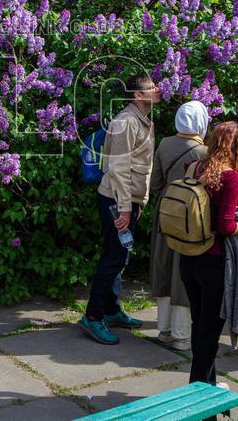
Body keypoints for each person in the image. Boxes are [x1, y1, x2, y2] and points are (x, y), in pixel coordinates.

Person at [80, 75, 160, 345]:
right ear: (138, 96)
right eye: (151, 88)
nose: (157, 91)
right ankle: (92, 317)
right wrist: (125, 209)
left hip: (127, 201)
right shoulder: (125, 123)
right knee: (113, 258)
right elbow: (119, 169)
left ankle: (111, 310)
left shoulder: (143, 120)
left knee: (120, 257)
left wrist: (139, 203)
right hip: (116, 200)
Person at [180, 121, 238, 386]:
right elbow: (225, 226)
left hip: (187, 256)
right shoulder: (230, 177)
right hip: (213, 262)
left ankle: (207, 384)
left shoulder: (193, 167)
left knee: (199, 324)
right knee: (210, 331)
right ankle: (197, 390)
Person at [149, 100, 209, 352]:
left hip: (166, 212)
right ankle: (182, 335)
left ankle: (163, 330)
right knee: (184, 273)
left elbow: (155, 184)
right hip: (191, 217)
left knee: (163, 268)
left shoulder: (164, 144)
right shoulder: (204, 152)